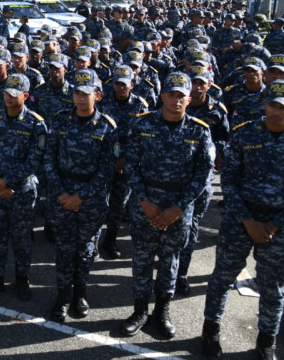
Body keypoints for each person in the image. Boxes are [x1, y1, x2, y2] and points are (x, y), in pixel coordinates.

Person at [201, 80, 284, 360]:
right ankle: (210, 330)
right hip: (240, 220)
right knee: (222, 278)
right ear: (264, 103)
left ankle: (267, 340)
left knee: (273, 287)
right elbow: (228, 180)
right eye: (273, 105)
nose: (277, 112)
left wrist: (275, 224)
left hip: (280, 225)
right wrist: (248, 220)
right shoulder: (244, 134)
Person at [121, 72, 215, 340]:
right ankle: (139, 311)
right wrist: (143, 199)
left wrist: (179, 206)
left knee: (169, 261)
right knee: (141, 259)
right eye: (171, 94)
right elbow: (131, 165)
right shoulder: (142, 124)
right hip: (146, 203)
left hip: (178, 207)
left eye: (181, 96)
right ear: (162, 96)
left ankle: (162, 312)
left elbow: (204, 174)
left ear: (189, 99)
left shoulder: (199, 130)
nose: (176, 100)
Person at [45, 69, 118, 322]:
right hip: (62, 196)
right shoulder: (60, 120)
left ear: (97, 95)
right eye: (77, 92)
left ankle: (80, 294)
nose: (80, 98)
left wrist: (81, 196)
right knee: (64, 249)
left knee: (85, 249)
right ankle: (63, 296)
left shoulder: (107, 127)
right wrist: (63, 193)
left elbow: (108, 169)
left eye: (86, 93)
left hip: (92, 200)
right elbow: (49, 160)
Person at [0, 74, 47, 301]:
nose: (8, 98)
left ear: (25, 96)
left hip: (22, 192)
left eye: (14, 94)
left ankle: (22, 279)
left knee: (21, 238)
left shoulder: (36, 123)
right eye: (6, 93)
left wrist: (8, 181)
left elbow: (34, 161)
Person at [177, 65, 229, 296]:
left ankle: (182, 273)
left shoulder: (217, 111)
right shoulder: (176, 105)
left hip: (200, 179)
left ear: (209, 85)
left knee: (191, 226)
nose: (198, 87)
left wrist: (217, 155)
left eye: (202, 83)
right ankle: (170, 263)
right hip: (174, 175)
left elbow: (223, 141)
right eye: (194, 83)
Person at [98, 65, 148, 259]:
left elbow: (141, 137)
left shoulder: (140, 106)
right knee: (98, 202)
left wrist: (124, 159)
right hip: (103, 160)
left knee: (119, 204)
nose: (120, 88)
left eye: (124, 84)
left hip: (125, 165)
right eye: (117, 83)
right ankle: (93, 240)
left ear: (132, 85)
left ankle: (110, 240)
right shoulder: (103, 102)